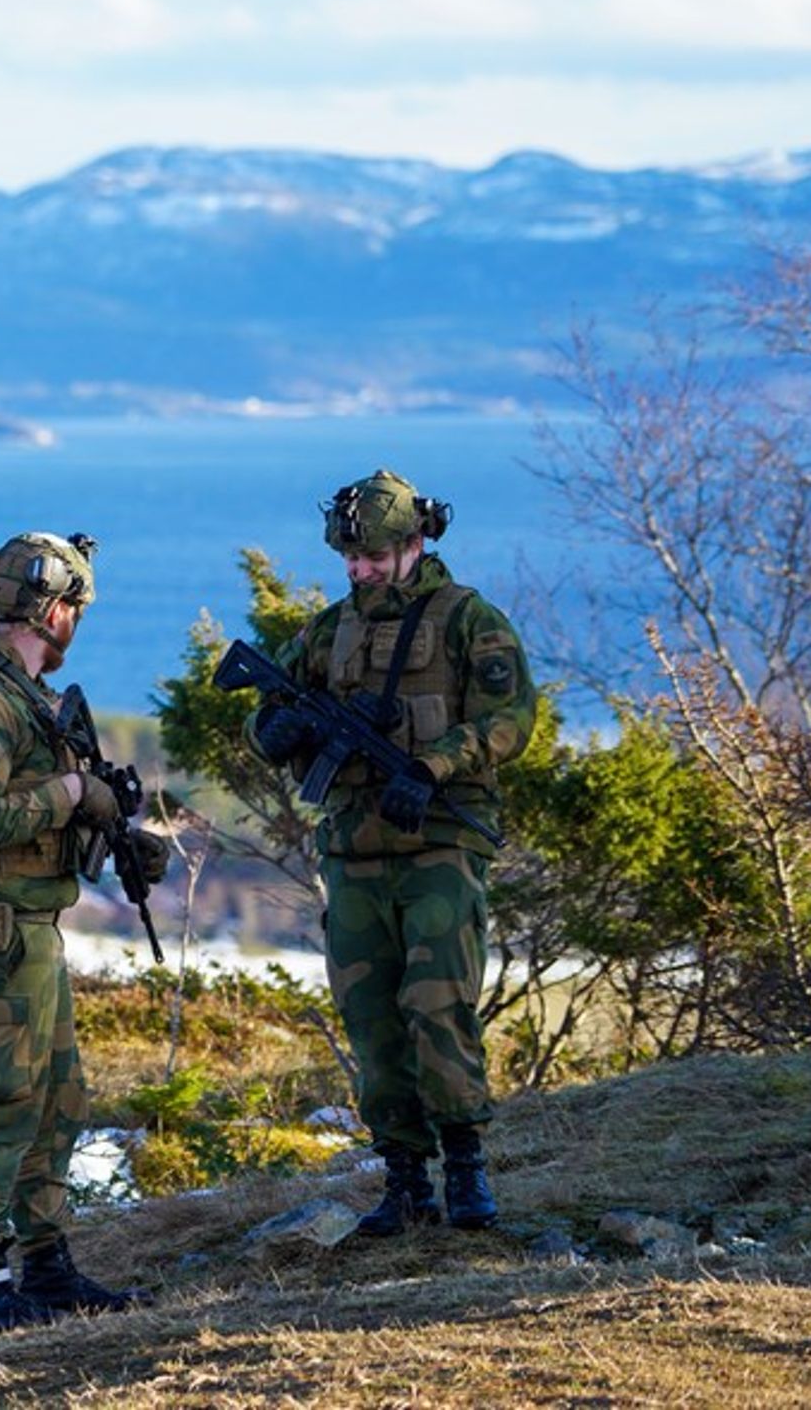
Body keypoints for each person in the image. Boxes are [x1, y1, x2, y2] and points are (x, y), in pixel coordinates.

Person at [247, 470, 535, 1235]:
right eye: (350, 557)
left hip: (438, 842)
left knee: (438, 1002)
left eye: (373, 555)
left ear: (414, 544)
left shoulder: (468, 620)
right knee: (372, 1017)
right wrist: (273, 731)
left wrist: (435, 764)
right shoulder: (330, 629)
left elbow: (513, 720)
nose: (359, 569)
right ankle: (405, 1178)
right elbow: (270, 701)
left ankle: (466, 1164)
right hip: (353, 848)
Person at [0, 533, 164, 1333]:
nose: (76, 625)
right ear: (51, 610)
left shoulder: (26, 694)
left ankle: (48, 1267)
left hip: (27, 926)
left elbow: (42, 814)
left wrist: (115, 830)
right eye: (75, 610)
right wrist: (69, 790)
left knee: (57, 1099)